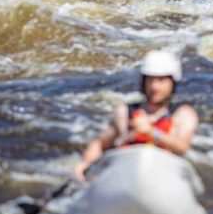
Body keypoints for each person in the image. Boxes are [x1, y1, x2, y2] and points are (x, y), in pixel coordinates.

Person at [73, 50, 198, 182]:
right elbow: (99, 143)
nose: (154, 87)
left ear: (172, 82)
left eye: (161, 80)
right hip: (126, 172)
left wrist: (151, 132)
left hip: (163, 175)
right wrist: (85, 164)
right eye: (150, 80)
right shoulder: (125, 112)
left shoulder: (183, 114)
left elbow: (183, 147)